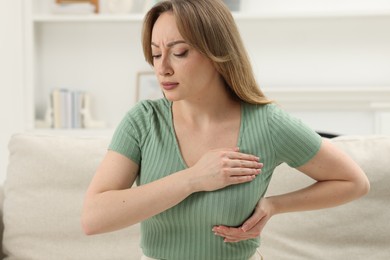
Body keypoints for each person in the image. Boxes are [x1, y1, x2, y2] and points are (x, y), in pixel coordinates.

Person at [81, 0, 370, 259]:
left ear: (217, 53)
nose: (163, 68)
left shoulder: (268, 123)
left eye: (179, 52)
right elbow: (93, 218)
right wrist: (193, 179)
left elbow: (353, 182)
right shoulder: (144, 121)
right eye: (156, 55)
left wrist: (274, 205)